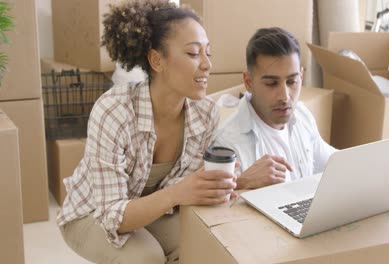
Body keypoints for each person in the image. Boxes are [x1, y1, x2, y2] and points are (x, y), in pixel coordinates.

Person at [56, 1, 236, 263]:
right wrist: (179, 192)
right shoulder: (113, 111)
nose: (207, 64)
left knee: (207, 239)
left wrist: (226, 184)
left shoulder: (206, 113)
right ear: (156, 60)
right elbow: (112, 215)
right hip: (93, 213)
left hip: (154, 209)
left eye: (208, 53)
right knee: (146, 257)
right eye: (194, 54)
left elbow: (188, 190)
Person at [215, 27, 336, 190]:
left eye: (292, 82)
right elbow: (217, 209)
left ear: (301, 76)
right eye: (271, 84)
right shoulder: (227, 142)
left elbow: (332, 161)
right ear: (248, 82)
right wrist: (241, 183)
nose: (285, 96)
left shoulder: (302, 115)